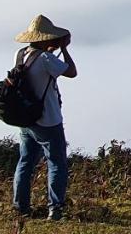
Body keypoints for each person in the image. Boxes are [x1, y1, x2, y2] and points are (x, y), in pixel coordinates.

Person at [10, 14, 78, 222]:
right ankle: (55, 210)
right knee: (56, 163)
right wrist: (64, 49)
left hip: (26, 118)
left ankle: (21, 208)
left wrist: (52, 49)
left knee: (25, 162)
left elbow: (37, 67)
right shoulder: (47, 59)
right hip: (48, 119)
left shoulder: (20, 54)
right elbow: (72, 72)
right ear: (46, 39)